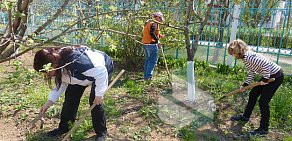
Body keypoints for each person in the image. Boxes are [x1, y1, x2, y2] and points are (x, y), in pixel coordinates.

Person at [33, 45, 114, 141]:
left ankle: (101, 132)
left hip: (102, 70)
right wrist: (50, 101)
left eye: (46, 71)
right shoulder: (59, 64)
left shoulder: (77, 62)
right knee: (70, 98)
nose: (46, 74)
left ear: (52, 64)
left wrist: (99, 94)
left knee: (95, 102)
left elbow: (101, 72)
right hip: (79, 74)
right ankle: (64, 127)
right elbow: (62, 83)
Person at [227, 39, 284, 136]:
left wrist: (265, 80)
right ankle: (245, 116)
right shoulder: (245, 58)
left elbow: (266, 64)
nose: (232, 56)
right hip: (268, 75)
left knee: (263, 102)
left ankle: (264, 129)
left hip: (275, 76)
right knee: (253, 94)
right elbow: (252, 72)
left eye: (232, 53)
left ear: (237, 52)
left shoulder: (249, 57)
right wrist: (245, 85)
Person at [141, 12, 165, 80]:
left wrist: (160, 36)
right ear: (156, 17)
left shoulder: (149, 22)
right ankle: (148, 77)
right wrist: (157, 41)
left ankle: (146, 75)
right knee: (152, 61)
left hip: (145, 43)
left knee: (148, 60)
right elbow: (152, 33)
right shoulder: (154, 23)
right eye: (159, 18)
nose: (160, 20)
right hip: (151, 45)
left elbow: (152, 32)